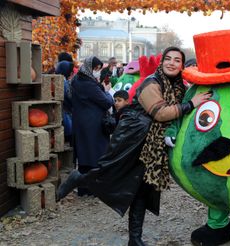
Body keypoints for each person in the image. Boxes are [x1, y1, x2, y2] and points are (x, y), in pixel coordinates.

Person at [57, 47, 211, 246]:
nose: (172, 63)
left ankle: (134, 239)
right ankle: (80, 178)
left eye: (177, 60)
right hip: (133, 138)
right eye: (168, 59)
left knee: (142, 189)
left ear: (182, 65)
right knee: (112, 176)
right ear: (162, 62)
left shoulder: (177, 86)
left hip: (153, 145)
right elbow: (161, 113)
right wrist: (191, 104)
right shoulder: (151, 83)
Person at [71, 56, 114, 196]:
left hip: (81, 122)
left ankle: (84, 188)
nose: (97, 72)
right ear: (90, 68)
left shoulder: (77, 80)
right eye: (96, 69)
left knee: (84, 156)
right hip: (92, 124)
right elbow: (106, 102)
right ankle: (93, 188)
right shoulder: (88, 84)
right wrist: (108, 93)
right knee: (96, 154)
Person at [55, 60, 75, 143]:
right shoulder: (65, 83)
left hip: (58, 115)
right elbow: (71, 99)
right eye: (71, 71)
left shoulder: (55, 81)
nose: (72, 73)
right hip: (67, 117)